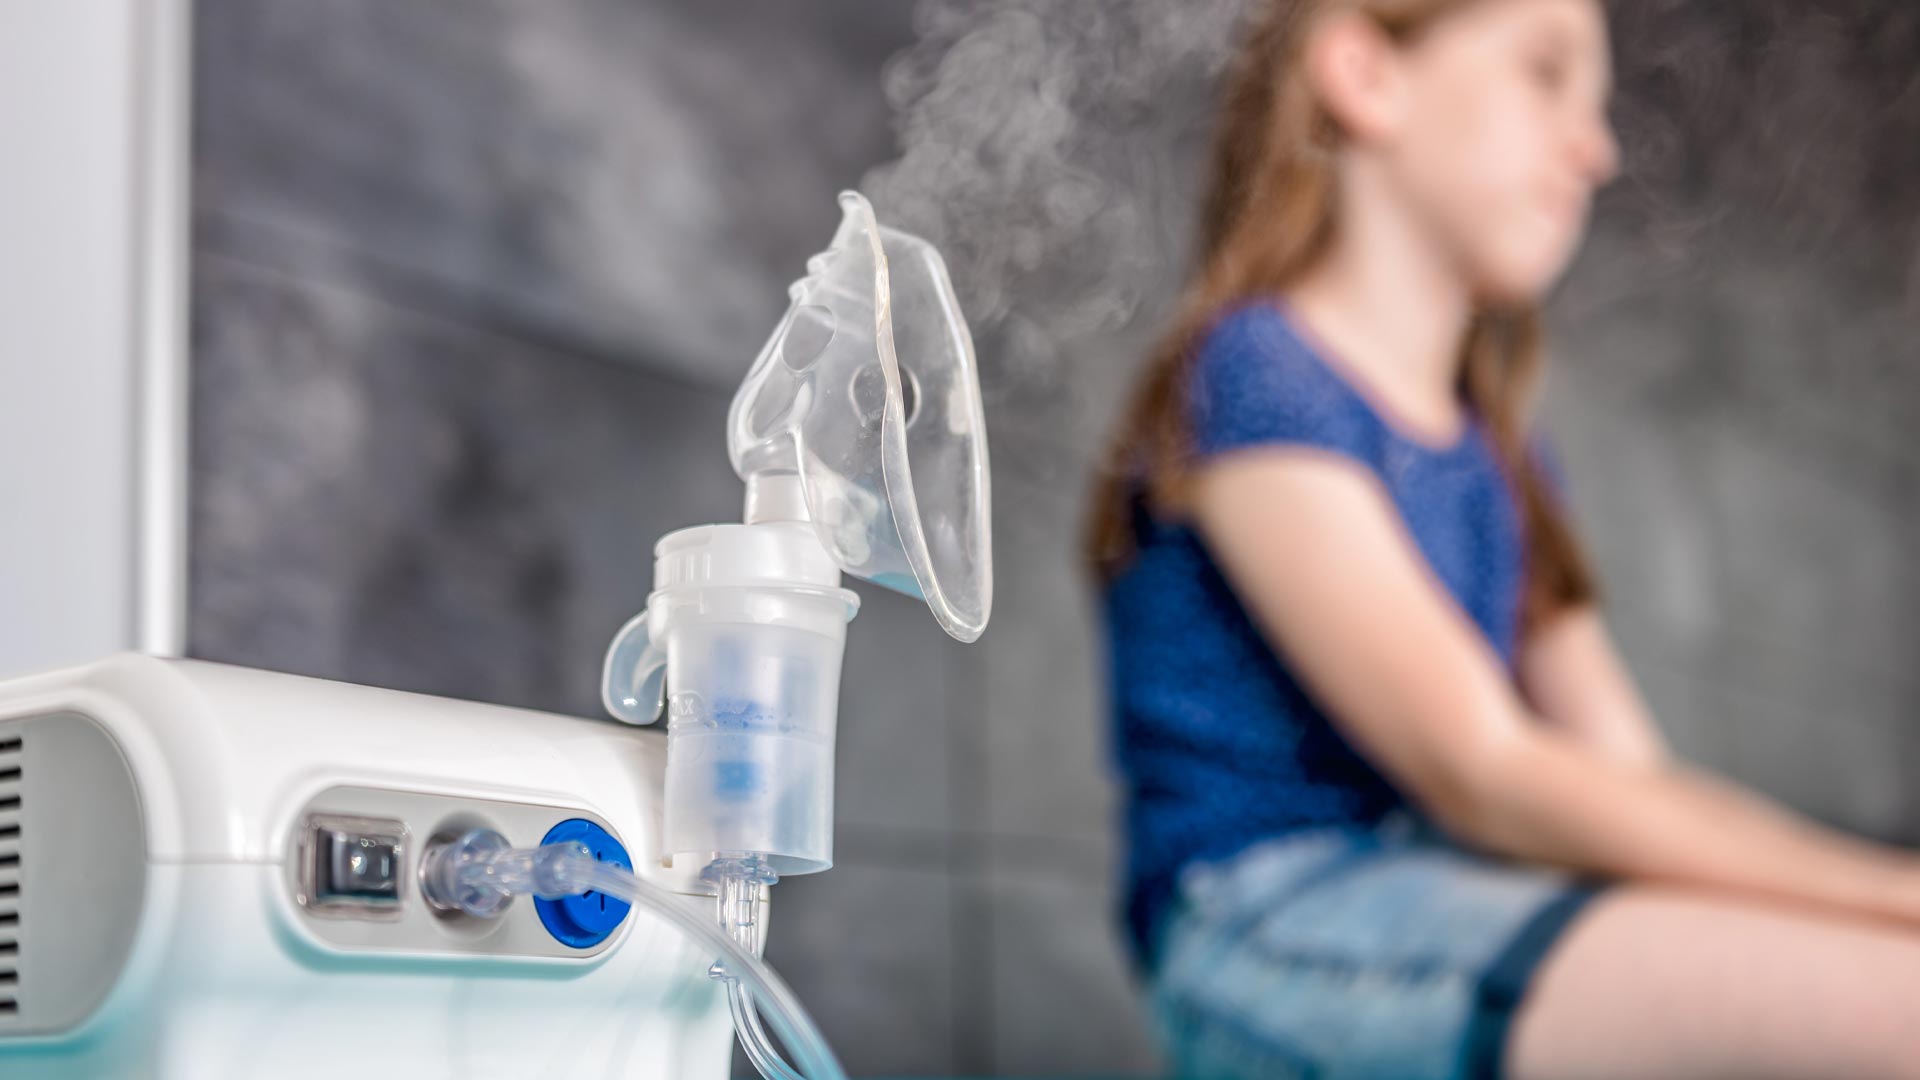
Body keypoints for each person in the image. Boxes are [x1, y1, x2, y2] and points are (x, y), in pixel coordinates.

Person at [1083, 1, 1920, 1076]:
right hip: (1273, 925)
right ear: (1367, 72)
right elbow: (1485, 767)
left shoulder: (1506, 460)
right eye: (1544, 71)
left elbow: (1627, 779)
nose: (1598, 147)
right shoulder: (1255, 371)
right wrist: (1892, 893)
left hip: (1459, 901)